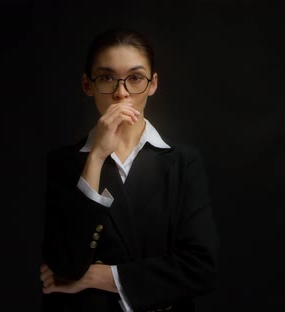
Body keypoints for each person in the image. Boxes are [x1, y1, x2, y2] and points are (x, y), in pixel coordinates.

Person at [40, 27, 219, 312]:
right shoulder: (64, 162)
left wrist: (103, 276)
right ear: (88, 85)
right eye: (107, 78)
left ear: (153, 84)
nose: (121, 93)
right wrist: (96, 156)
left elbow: (202, 268)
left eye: (135, 78)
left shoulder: (183, 162)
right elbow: (65, 266)